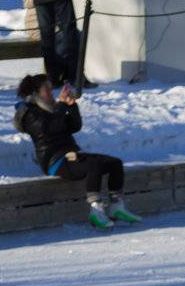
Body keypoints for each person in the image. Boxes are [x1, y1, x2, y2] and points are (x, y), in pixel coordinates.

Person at [14, 73, 138, 229]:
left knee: (114, 163)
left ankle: (116, 206)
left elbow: (74, 126)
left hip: (71, 155)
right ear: (35, 92)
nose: (51, 91)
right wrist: (61, 105)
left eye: (51, 88)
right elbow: (47, 128)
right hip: (55, 161)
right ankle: (96, 210)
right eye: (46, 88)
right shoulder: (29, 112)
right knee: (94, 165)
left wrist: (72, 107)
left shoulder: (53, 109)